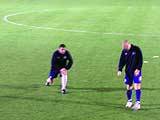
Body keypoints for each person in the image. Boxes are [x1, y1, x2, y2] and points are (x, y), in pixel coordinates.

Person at [117, 40, 143, 110]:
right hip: (128, 72)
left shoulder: (136, 49)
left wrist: (138, 68)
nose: (124, 48)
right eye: (123, 47)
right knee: (129, 86)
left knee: (137, 86)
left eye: (125, 47)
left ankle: (138, 103)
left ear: (128, 44)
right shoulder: (124, 51)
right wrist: (120, 69)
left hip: (136, 71)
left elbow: (140, 59)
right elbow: (122, 60)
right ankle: (129, 101)